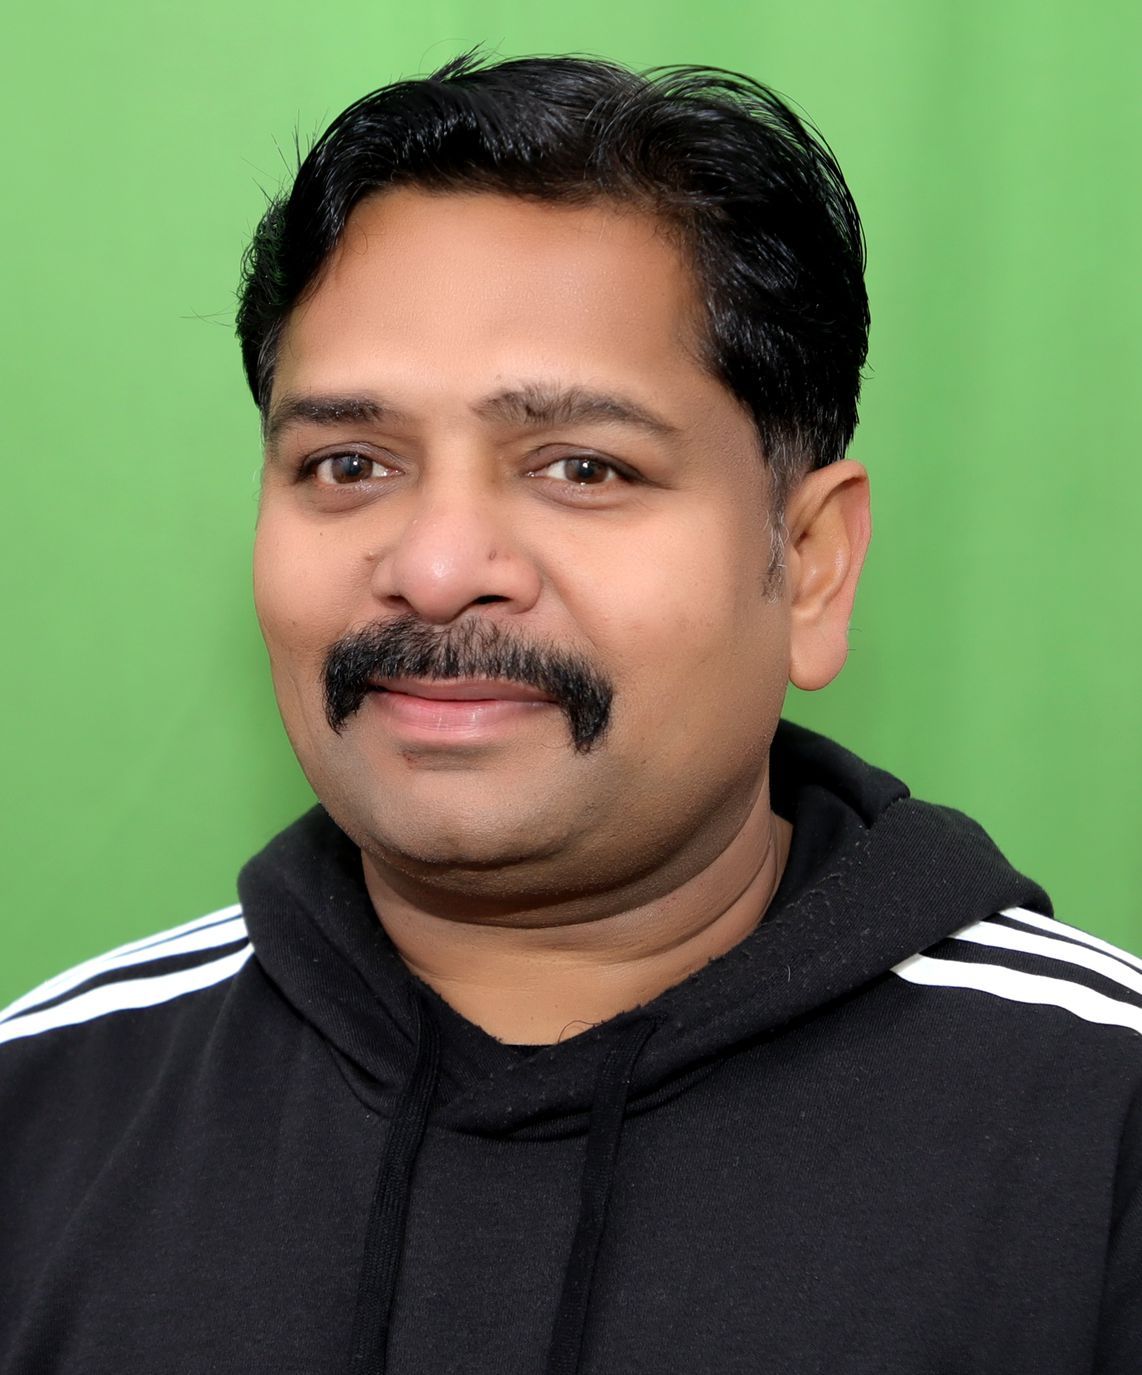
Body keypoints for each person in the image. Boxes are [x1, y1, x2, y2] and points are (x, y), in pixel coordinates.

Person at [1, 49, 1138, 1375]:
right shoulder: (43, 1111)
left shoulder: (1099, 1129)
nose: (437, 568)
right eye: (348, 463)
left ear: (812, 563)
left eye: (583, 467)